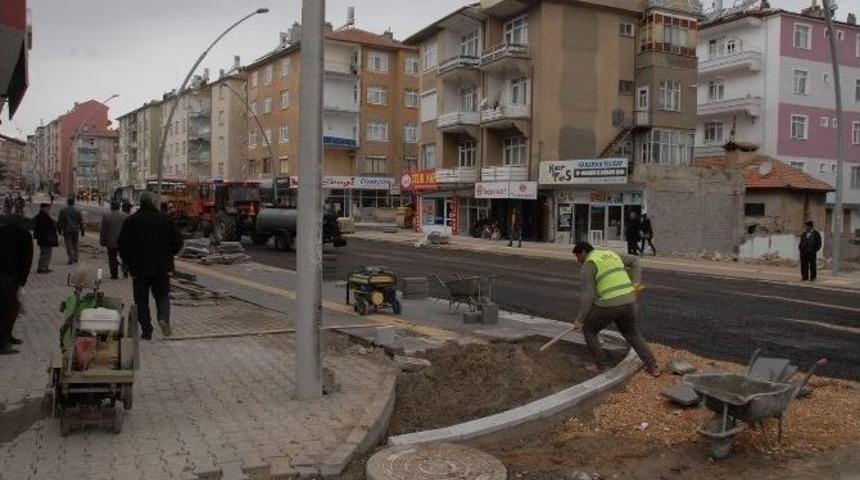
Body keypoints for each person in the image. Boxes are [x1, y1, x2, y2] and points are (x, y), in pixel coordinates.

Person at [572, 241, 661, 377]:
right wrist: (636, 283)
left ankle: (600, 365)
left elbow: (587, 297)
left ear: (583, 252)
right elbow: (636, 260)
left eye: (577, 256)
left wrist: (580, 319)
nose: (578, 261)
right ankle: (653, 367)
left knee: (589, 330)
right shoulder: (610, 254)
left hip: (609, 305)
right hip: (629, 302)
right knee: (632, 334)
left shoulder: (589, 264)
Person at [119, 192, 183, 339]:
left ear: (140, 203)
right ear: (154, 203)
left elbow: (123, 245)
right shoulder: (165, 219)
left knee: (141, 301)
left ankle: (147, 331)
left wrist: (127, 262)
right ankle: (163, 318)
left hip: (139, 268)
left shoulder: (131, 221)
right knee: (162, 296)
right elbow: (178, 241)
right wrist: (169, 255)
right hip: (162, 267)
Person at [0, 216, 34, 354]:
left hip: (6, 274)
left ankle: (7, 336)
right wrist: (22, 283)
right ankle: (2, 344)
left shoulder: (3, 231)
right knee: (7, 309)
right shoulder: (25, 236)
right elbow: (26, 260)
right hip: (8, 276)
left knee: (11, 308)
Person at [100, 201, 128, 280]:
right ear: (119, 207)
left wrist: (102, 241)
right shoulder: (126, 216)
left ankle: (114, 274)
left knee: (112, 258)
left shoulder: (106, 216)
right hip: (123, 242)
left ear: (111, 207)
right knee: (124, 257)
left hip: (111, 241)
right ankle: (125, 269)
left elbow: (103, 230)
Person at [57, 195, 85, 264]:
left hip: (67, 230)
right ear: (74, 203)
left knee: (68, 244)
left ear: (67, 202)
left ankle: (71, 257)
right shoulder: (78, 212)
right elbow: (81, 222)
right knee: (75, 244)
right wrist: (82, 231)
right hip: (75, 230)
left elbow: (60, 221)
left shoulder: (63, 211)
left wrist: (59, 230)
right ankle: (76, 257)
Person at [33, 202, 59, 273]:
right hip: (45, 238)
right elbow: (42, 228)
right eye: (48, 208)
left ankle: (45, 267)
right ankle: (41, 268)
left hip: (46, 238)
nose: (49, 210)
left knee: (47, 253)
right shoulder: (42, 216)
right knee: (45, 253)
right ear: (43, 208)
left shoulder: (44, 215)